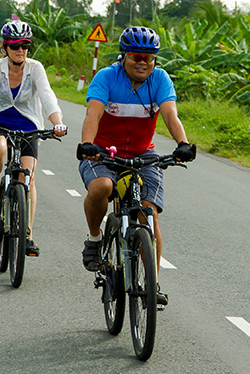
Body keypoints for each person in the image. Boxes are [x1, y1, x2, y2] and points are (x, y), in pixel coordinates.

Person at [76, 26, 196, 307]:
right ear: (124, 56)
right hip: (103, 154)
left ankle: (152, 284)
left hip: (144, 156)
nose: (143, 62)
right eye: (136, 56)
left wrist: (182, 143)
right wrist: (87, 144)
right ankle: (95, 239)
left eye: (149, 57)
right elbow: (93, 112)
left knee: (149, 216)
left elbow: (170, 113)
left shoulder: (160, 79)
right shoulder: (106, 77)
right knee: (102, 187)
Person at [0, 20, 66, 257]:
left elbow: (47, 95)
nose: (20, 50)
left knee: (28, 178)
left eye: (25, 45)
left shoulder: (35, 68)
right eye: (15, 46)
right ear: (5, 47)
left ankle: (28, 235)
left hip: (27, 122)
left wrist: (57, 123)